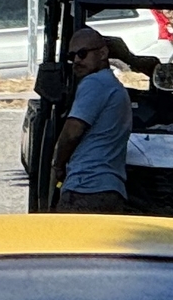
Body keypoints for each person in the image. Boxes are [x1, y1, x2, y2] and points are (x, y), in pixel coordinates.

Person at [49, 26, 159, 211]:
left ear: (102, 53)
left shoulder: (95, 83)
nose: (76, 60)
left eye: (82, 54)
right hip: (110, 188)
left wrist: (57, 165)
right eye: (72, 56)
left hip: (85, 188)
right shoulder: (115, 87)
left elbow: (72, 132)